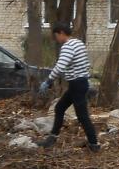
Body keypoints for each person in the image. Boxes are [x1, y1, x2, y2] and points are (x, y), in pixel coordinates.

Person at [38, 24, 100, 152]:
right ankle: (52, 138)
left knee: (82, 115)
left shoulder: (68, 46)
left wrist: (49, 81)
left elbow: (60, 67)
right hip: (79, 83)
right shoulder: (78, 43)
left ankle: (94, 144)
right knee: (59, 108)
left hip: (77, 84)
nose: (57, 40)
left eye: (56, 36)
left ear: (61, 33)